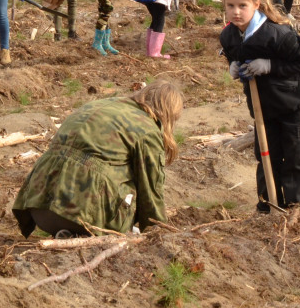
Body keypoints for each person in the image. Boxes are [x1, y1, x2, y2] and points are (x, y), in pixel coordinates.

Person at [12, 80, 183, 238]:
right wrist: (158, 233)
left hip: (39, 210)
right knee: (131, 181)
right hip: (84, 220)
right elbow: (151, 189)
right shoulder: (146, 128)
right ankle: (93, 229)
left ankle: (68, 232)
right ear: (167, 112)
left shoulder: (99, 105)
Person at [220, 0, 300, 213]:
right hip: (263, 106)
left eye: (243, 6)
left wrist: (270, 66)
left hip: (293, 103)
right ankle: (269, 203)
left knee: (296, 156)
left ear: (257, 5)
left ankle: (295, 205)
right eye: (230, 6)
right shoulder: (228, 36)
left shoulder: (278, 34)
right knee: (266, 155)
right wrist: (233, 65)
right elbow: (234, 56)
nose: (236, 12)